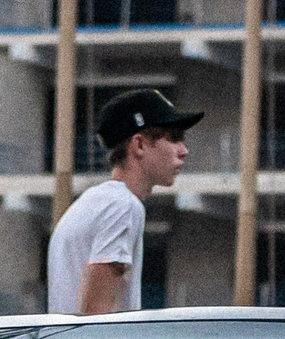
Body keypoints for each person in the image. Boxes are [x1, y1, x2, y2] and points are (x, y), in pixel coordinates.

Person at [47, 88, 201, 316]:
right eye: (174, 138)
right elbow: (96, 318)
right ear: (139, 145)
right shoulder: (123, 206)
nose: (184, 151)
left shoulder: (97, 201)